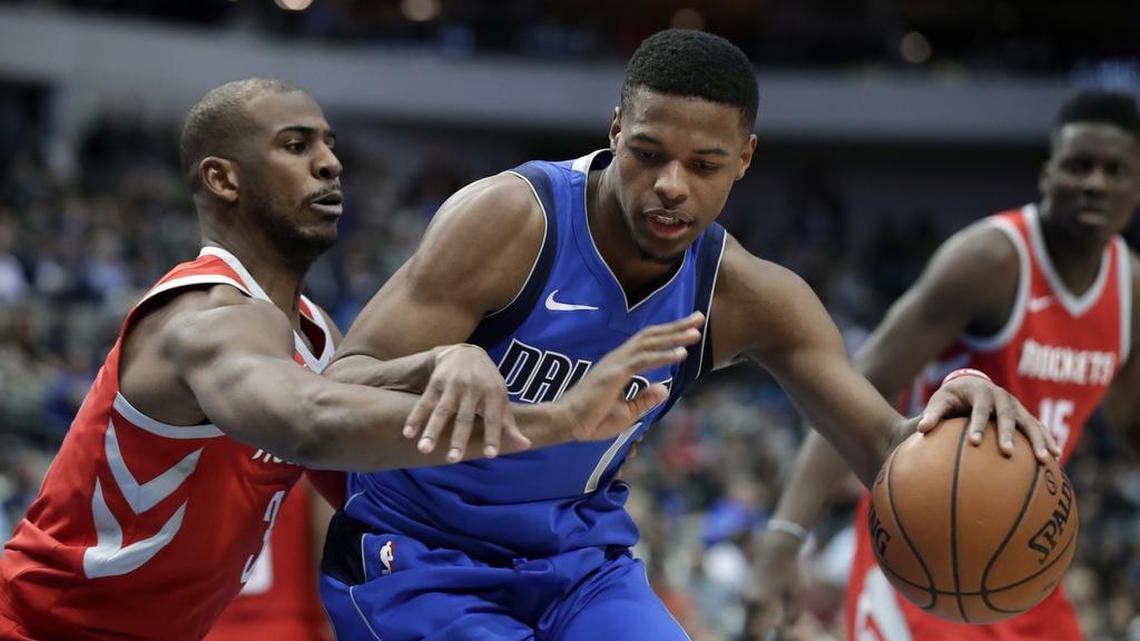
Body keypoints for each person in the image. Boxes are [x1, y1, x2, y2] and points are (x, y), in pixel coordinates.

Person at [318, 29, 1057, 641]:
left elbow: (883, 446)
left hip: (577, 566)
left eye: (704, 165)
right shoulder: (511, 221)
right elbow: (337, 384)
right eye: (648, 154)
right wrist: (437, 363)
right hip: (420, 552)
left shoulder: (749, 296)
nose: (672, 184)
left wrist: (954, 404)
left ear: (744, 158)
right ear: (616, 130)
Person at [0, 78, 699, 641]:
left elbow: (383, 491)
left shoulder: (313, 337)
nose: (330, 163)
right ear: (223, 179)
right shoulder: (204, 318)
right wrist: (558, 422)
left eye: (330, 145)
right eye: (295, 145)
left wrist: (453, 366)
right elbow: (311, 421)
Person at [748, 89, 1140, 641]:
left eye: (1114, 170)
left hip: (1029, 547)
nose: (1095, 183)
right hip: (928, 533)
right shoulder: (990, 260)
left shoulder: (1130, 289)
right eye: (1079, 165)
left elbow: (1131, 424)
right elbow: (856, 387)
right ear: (1048, 174)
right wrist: (786, 536)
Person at [204, 480, 335, 641]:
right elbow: (328, 544)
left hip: (206, 629)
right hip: (292, 627)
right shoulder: (308, 474)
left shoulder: (192, 479)